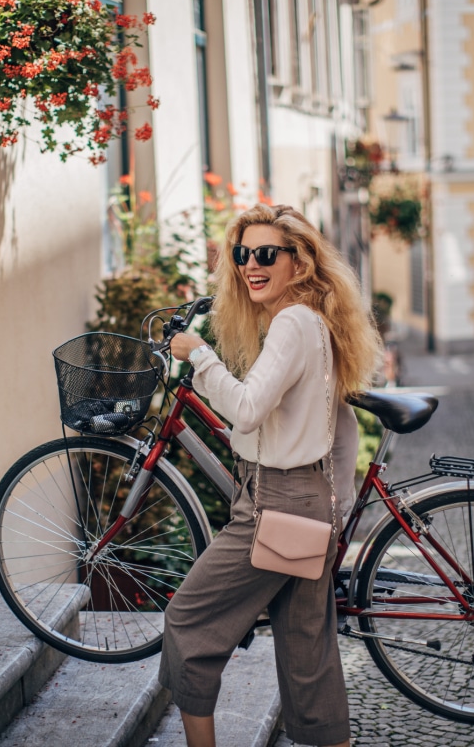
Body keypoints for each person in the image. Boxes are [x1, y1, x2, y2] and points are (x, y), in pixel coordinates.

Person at [162, 203, 382, 747]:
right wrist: (333, 510)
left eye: (266, 254)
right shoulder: (315, 321)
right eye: (242, 254)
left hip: (276, 503)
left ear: (298, 262)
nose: (250, 266)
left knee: (187, 624)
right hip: (311, 501)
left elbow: (246, 409)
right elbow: (341, 426)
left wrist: (200, 356)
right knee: (309, 655)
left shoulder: (291, 323)